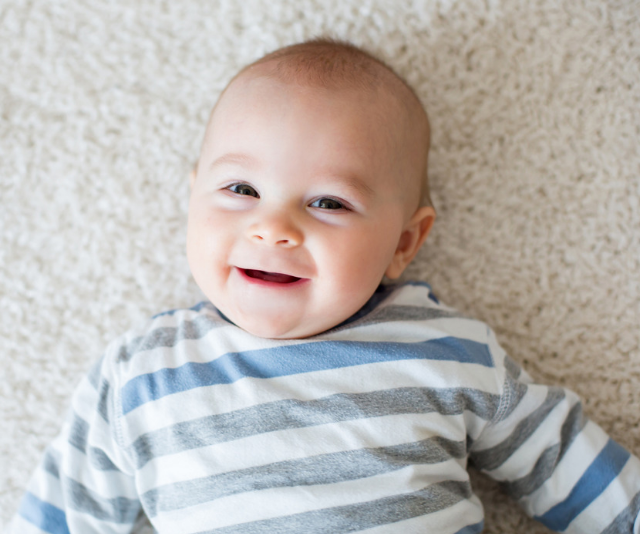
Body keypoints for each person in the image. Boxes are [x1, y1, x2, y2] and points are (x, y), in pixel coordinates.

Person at [8, 38, 640, 534]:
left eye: (329, 202)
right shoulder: (144, 372)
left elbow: (560, 458)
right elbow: (64, 511)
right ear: (193, 193)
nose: (273, 227)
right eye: (241, 190)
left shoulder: (448, 352)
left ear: (402, 244)